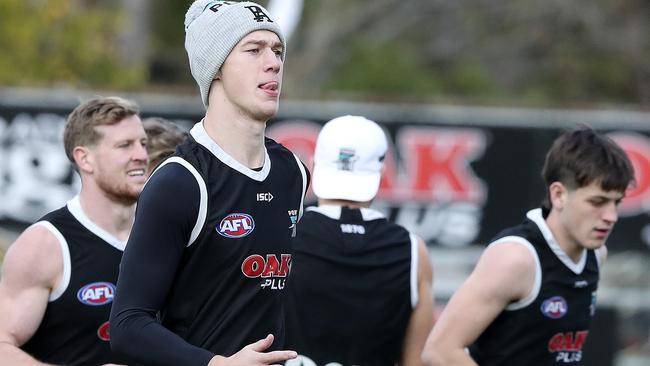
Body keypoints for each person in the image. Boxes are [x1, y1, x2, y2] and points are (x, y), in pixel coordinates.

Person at [109, 1, 309, 366]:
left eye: (277, 50)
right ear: (215, 68)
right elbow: (127, 327)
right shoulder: (181, 181)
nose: (274, 62)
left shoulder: (292, 171)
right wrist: (218, 363)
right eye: (254, 50)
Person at [421, 127, 635, 366]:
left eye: (617, 202)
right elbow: (439, 350)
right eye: (598, 202)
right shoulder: (517, 258)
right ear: (558, 195)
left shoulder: (596, 255)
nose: (611, 216)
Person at [0, 96, 149, 365]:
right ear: (85, 159)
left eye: (142, 143)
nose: (141, 155)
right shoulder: (46, 245)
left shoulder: (164, 234)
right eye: (125, 145)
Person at [284, 115, 435, 366]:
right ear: (381, 172)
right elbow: (416, 361)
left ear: (314, 164)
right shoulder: (413, 251)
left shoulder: (281, 235)